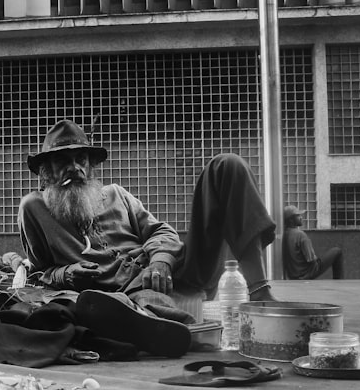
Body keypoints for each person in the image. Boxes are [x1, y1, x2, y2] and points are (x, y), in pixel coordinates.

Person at [17, 120, 279, 352]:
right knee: (141, 305)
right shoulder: (34, 207)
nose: (74, 168)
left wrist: (161, 260)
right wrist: (69, 272)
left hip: (176, 269)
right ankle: (173, 327)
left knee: (227, 165)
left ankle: (259, 292)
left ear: (90, 164)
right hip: (122, 293)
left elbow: (162, 232)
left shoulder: (116, 194)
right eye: (63, 161)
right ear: (47, 171)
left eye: (81, 159)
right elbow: (40, 274)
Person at [282, 205, 344, 280]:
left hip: (293, 275)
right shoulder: (300, 235)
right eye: (298, 216)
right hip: (307, 273)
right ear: (291, 220)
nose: (301, 217)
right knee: (337, 251)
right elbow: (311, 259)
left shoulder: (284, 234)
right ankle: (339, 281)